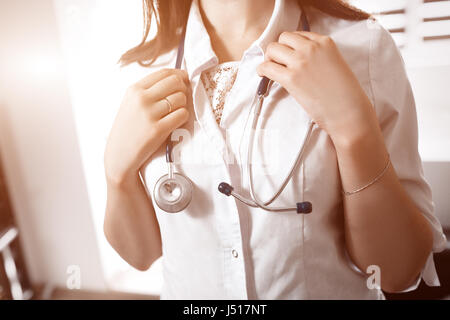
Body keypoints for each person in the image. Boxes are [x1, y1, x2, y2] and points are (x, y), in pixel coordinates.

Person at [103, 0, 447, 299]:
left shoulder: (362, 45)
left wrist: (353, 129)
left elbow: (395, 270)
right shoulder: (142, 67)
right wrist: (117, 174)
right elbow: (142, 255)